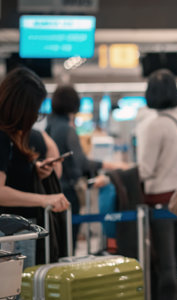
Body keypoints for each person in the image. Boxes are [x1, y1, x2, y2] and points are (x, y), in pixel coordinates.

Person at [0, 68, 70, 268]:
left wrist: (36, 170)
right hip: (8, 234)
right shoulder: (2, 137)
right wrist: (44, 199)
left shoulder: (14, 135)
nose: (35, 117)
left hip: (17, 231)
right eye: (35, 110)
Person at [136, 69, 177, 300]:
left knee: (164, 264)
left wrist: (114, 172)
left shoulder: (154, 125)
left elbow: (146, 170)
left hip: (159, 201)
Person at [46, 85, 126, 247]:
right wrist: (111, 165)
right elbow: (81, 162)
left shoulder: (49, 126)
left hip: (50, 189)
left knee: (56, 242)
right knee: (68, 241)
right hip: (67, 191)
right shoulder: (67, 129)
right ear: (75, 105)